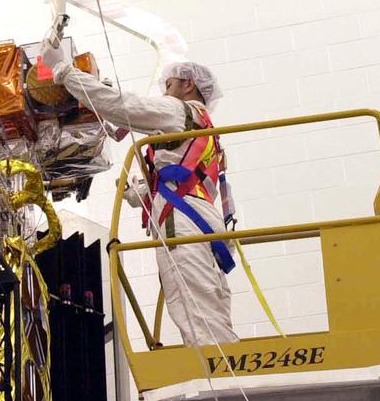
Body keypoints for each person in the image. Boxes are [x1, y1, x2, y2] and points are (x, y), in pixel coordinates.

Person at [41, 44, 238, 347]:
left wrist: (65, 72)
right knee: (209, 302)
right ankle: (226, 367)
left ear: (188, 85)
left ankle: (219, 378)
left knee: (195, 309)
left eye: (169, 85)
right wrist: (142, 193)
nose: (164, 93)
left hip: (184, 220)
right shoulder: (207, 131)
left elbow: (123, 105)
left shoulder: (178, 111)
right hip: (202, 219)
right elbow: (185, 176)